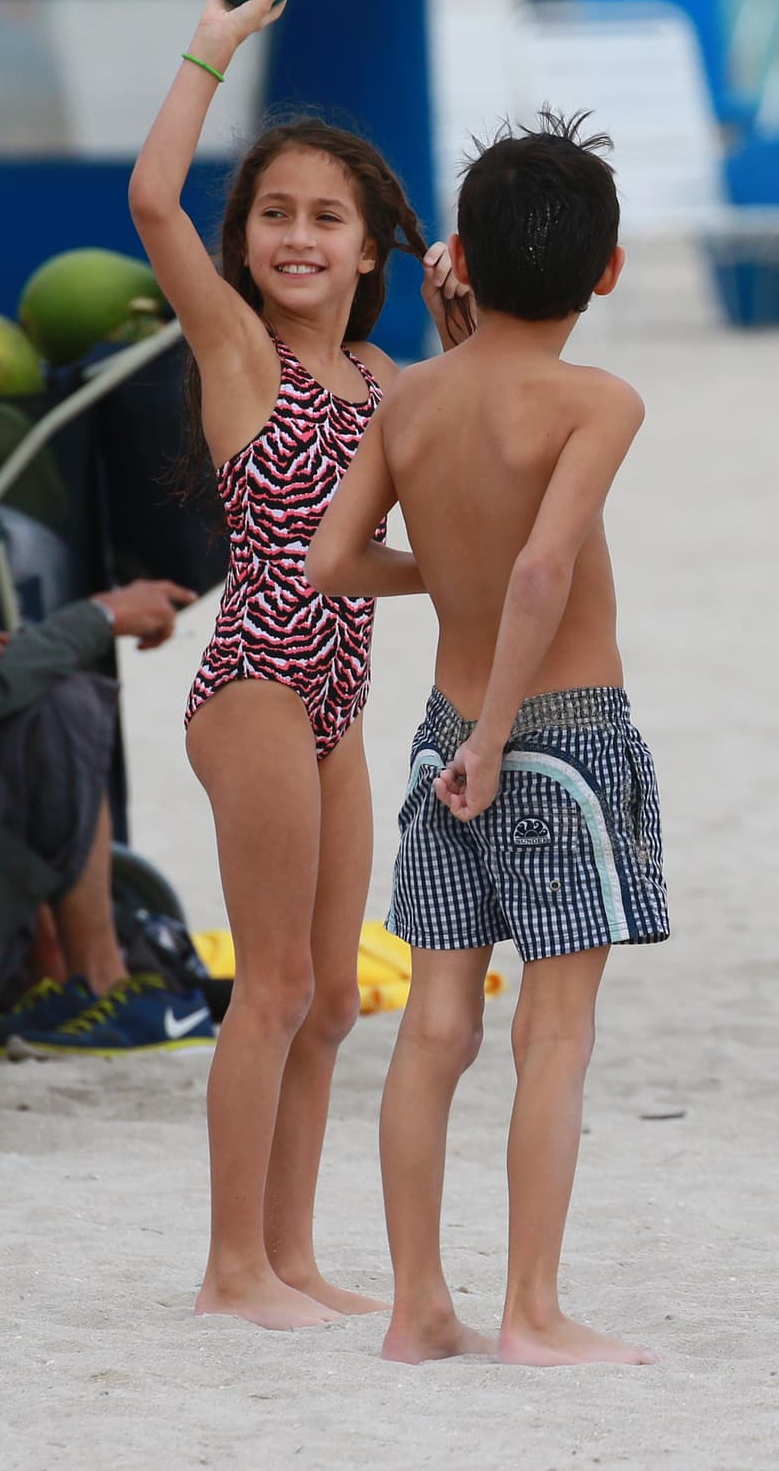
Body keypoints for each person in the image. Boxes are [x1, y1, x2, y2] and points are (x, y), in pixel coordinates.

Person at [127, 0, 472, 1331]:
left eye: (327, 216)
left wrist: (459, 339)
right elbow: (154, 200)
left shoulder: (392, 383)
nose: (297, 235)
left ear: (371, 244)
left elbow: (399, 552)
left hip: (340, 693)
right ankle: (228, 1268)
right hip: (256, 681)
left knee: (332, 994)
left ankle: (290, 1252)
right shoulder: (240, 352)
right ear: (248, 241)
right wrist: (213, 42)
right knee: (268, 984)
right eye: (274, 213)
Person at [307, 111, 670, 1366]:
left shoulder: (410, 398)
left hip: (436, 735)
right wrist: (505, 726)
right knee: (551, 1034)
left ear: (455, 253)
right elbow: (541, 568)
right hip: (553, 738)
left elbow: (331, 561)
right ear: (606, 269)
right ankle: (530, 1311)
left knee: (435, 1028)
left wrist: (445, 580)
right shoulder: (596, 400)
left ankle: (416, 1308)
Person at [0, 575, 208, 1052]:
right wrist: (100, 616)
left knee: (31, 689)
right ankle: (98, 981)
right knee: (61, 706)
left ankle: (64, 979)